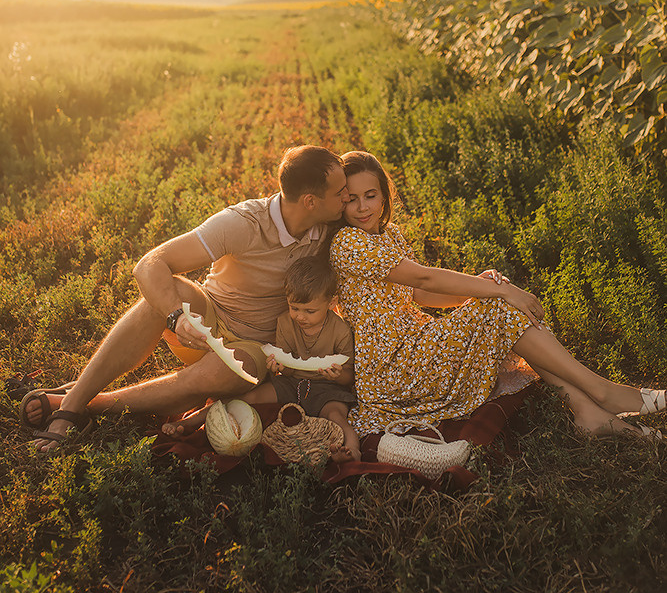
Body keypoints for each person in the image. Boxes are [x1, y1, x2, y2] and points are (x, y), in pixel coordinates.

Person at [22, 146, 350, 452]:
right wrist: (175, 315)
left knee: (221, 372)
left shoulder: (330, 228)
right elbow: (149, 265)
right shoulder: (242, 222)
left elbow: (370, 212)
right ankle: (74, 401)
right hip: (208, 312)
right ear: (310, 201)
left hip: (254, 346)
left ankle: (88, 403)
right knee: (171, 289)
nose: (347, 197)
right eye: (339, 192)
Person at [329, 150, 666, 441]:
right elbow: (423, 275)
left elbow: (418, 292)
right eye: (352, 199)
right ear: (341, 202)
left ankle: (587, 412)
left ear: (384, 196)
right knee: (500, 305)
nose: (361, 207)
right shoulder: (348, 243)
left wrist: (477, 291)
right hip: (393, 367)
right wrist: (502, 291)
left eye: (370, 195)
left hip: (417, 344)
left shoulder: (389, 235)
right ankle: (603, 392)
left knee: (496, 306)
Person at [163, 257, 361, 461]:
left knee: (337, 416)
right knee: (249, 398)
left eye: (310, 311)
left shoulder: (341, 331)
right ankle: (193, 421)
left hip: (327, 388)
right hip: (291, 383)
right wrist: (280, 367)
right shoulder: (285, 322)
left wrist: (337, 376)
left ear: (332, 303)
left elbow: (349, 378)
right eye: (295, 308)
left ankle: (352, 450)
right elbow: (289, 368)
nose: (300, 317)